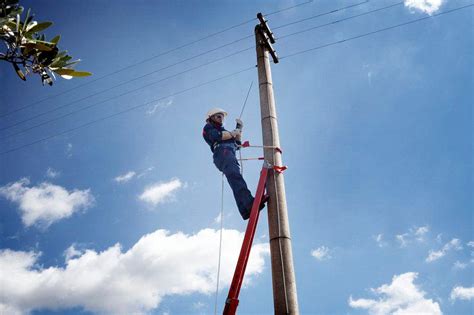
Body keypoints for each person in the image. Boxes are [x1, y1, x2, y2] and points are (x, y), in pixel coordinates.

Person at [202, 107, 269, 220]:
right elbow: (216, 136)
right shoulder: (208, 127)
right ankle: (249, 203)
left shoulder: (225, 131)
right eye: (218, 116)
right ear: (211, 118)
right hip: (223, 153)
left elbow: (237, 145)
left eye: (222, 116)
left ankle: (245, 210)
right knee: (236, 178)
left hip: (228, 154)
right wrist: (233, 133)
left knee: (235, 181)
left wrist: (239, 130)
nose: (221, 118)